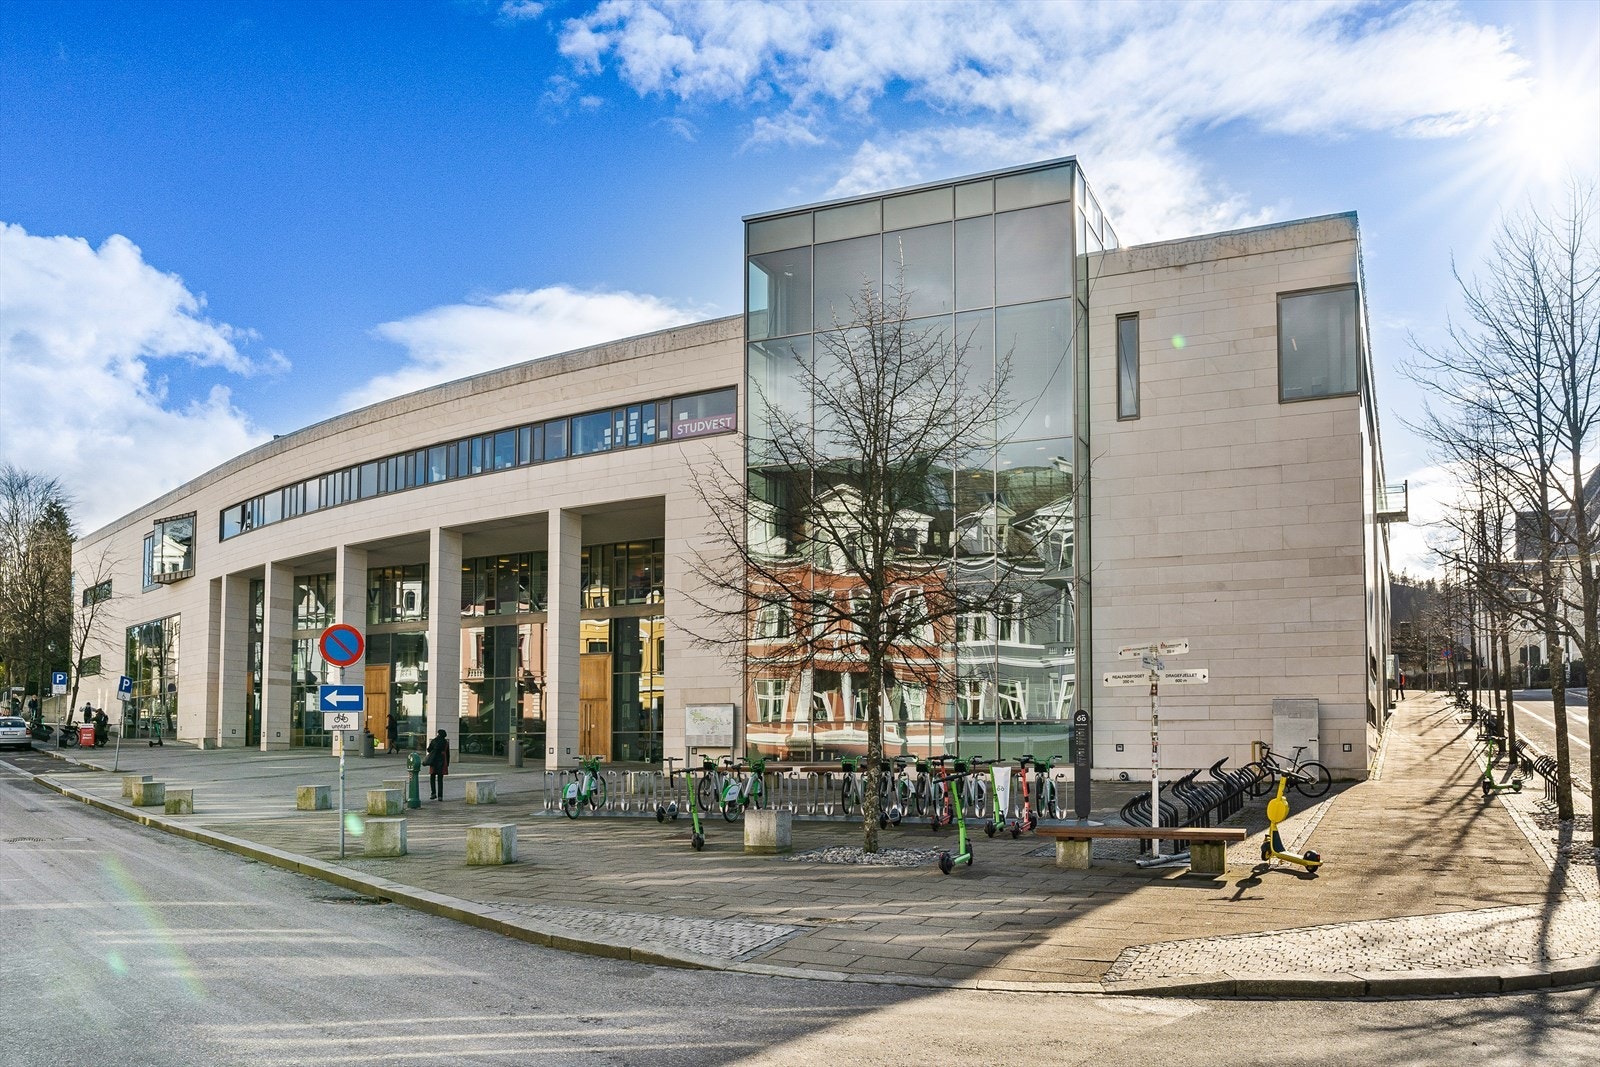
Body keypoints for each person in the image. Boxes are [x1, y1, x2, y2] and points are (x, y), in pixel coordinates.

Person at [424, 729, 450, 801]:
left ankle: (433, 793)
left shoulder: (434, 741)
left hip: (433, 760)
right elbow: (447, 753)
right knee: (440, 779)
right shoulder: (445, 742)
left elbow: (428, 749)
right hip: (442, 760)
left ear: (438, 734)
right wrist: (447, 763)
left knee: (432, 777)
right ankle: (440, 796)